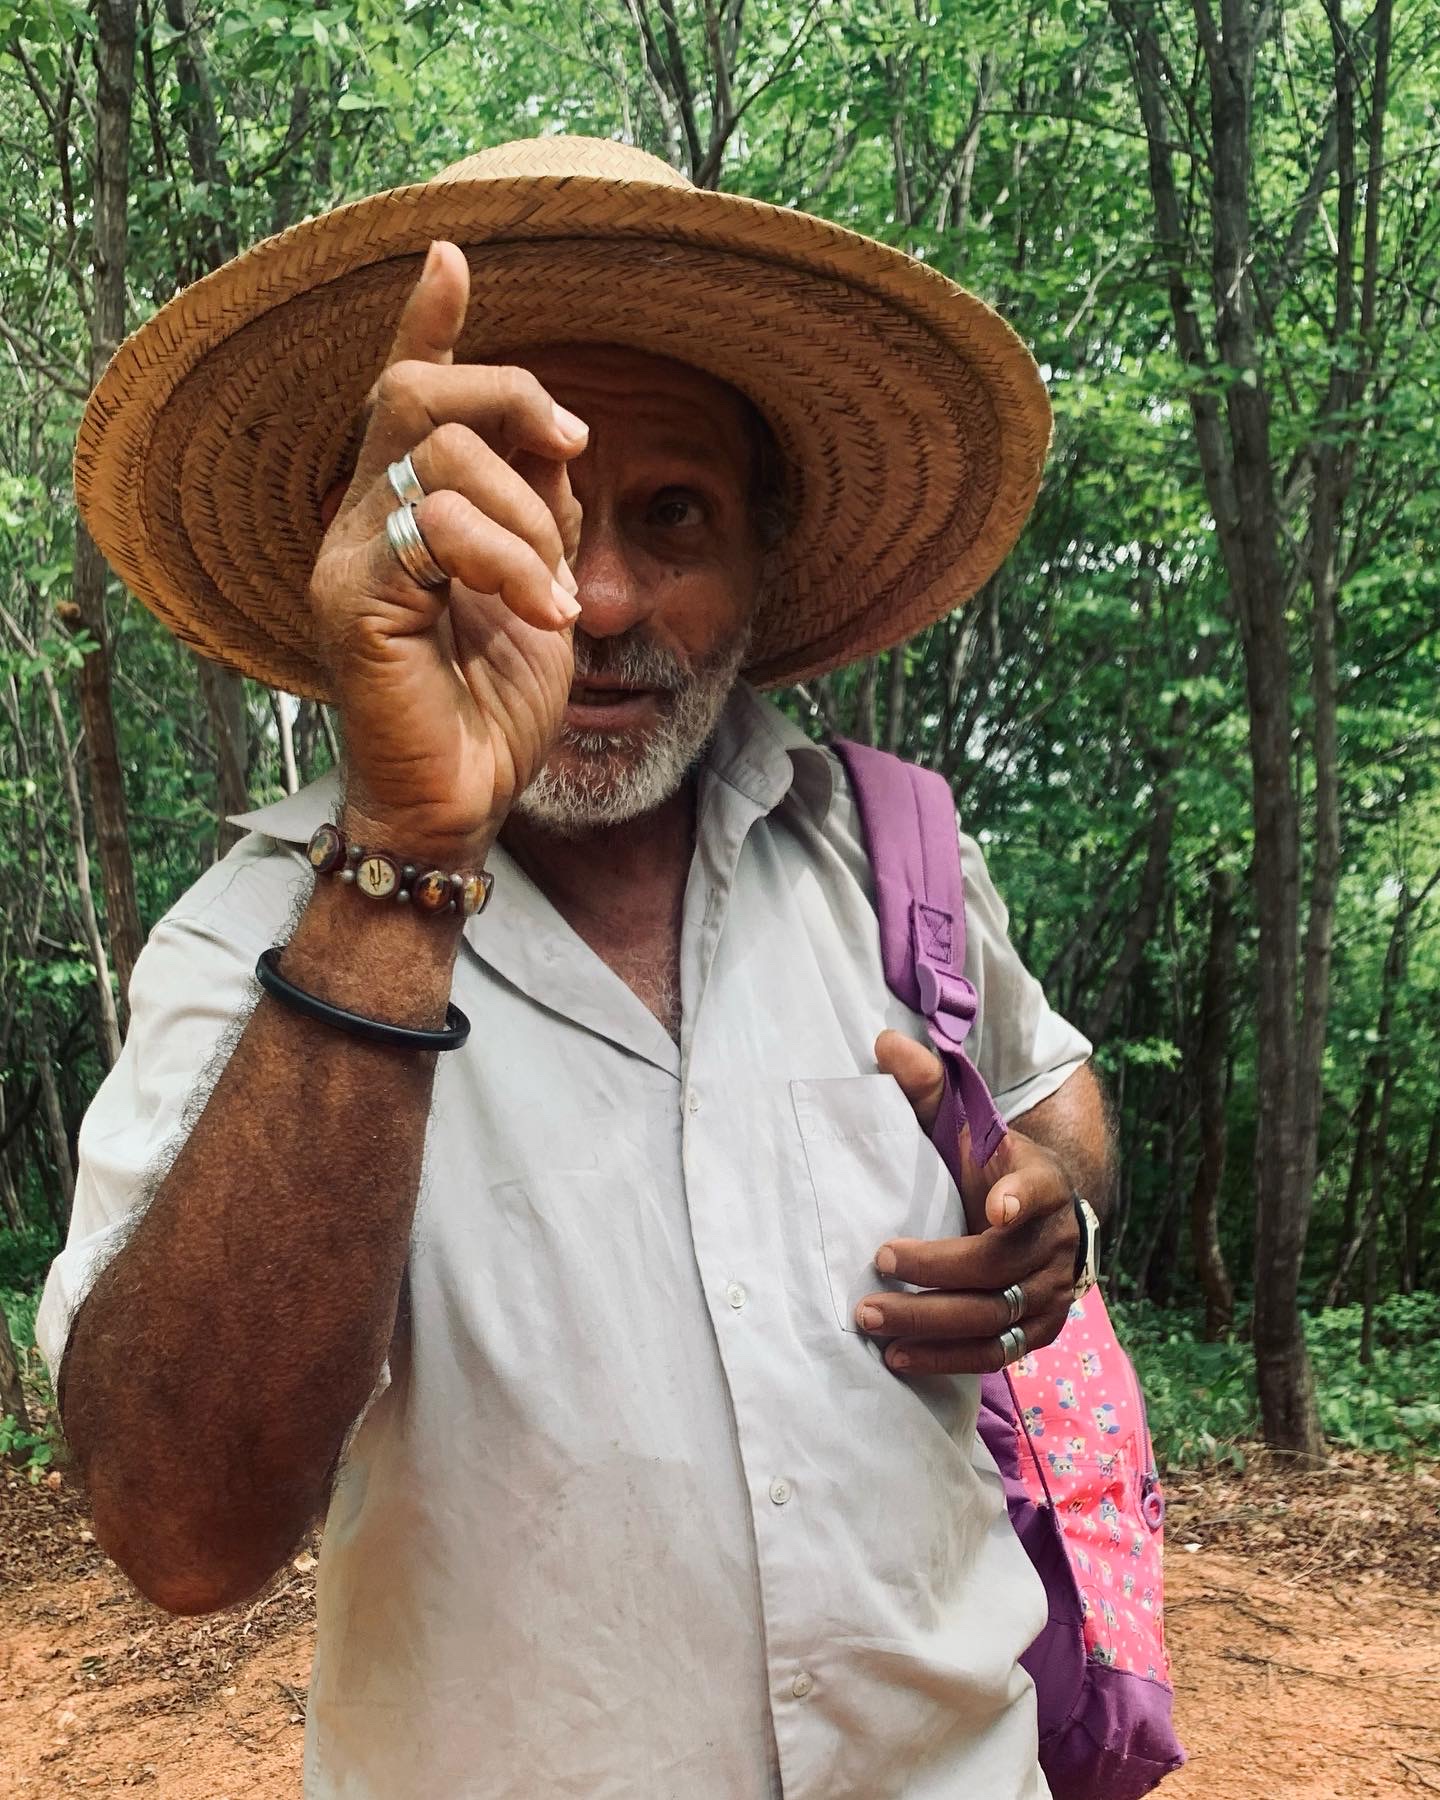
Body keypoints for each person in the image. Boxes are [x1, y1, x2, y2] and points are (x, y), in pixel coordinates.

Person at [41, 137, 1111, 1799]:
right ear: (388, 545)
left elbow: (1054, 1104)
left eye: (671, 515)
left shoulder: (887, 850)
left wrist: (1052, 1218)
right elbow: (180, 1532)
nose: (593, 599)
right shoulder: (254, 937)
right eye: (514, 506)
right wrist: (406, 846)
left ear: (764, 554)